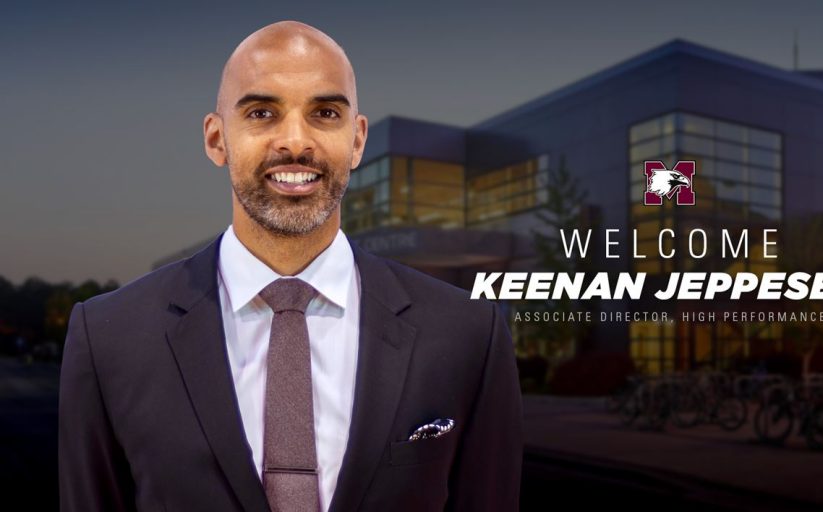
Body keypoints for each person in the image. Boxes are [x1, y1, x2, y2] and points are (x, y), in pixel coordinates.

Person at [58, 20, 523, 512]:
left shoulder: (467, 332)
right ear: (217, 139)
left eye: (324, 112)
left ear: (358, 139)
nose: (296, 141)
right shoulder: (109, 337)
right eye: (262, 112)